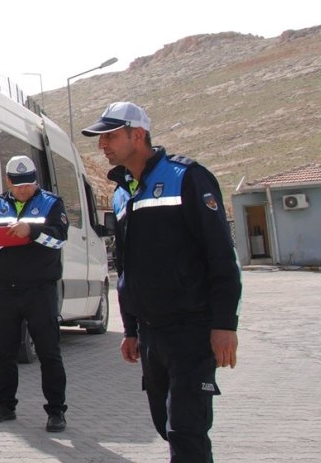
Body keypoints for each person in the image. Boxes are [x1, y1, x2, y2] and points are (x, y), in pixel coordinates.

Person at [82, 101, 241, 463]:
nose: (102, 145)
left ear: (138, 135)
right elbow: (127, 268)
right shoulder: (123, 193)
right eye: (100, 138)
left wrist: (224, 324)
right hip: (152, 336)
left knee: (185, 431)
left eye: (110, 135)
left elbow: (220, 256)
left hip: (192, 329)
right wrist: (131, 329)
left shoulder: (187, 177)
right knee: (163, 423)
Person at [0, 155, 70, 432]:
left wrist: (31, 231)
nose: (22, 189)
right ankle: (4, 405)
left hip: (40, 290)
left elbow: (59, 237)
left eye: (28, 184)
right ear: (8, 181)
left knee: (49, 353)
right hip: (6, 290)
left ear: (35, 180)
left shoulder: (51, 203)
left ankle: (56, 412)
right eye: (17, 185)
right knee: (3, 352)